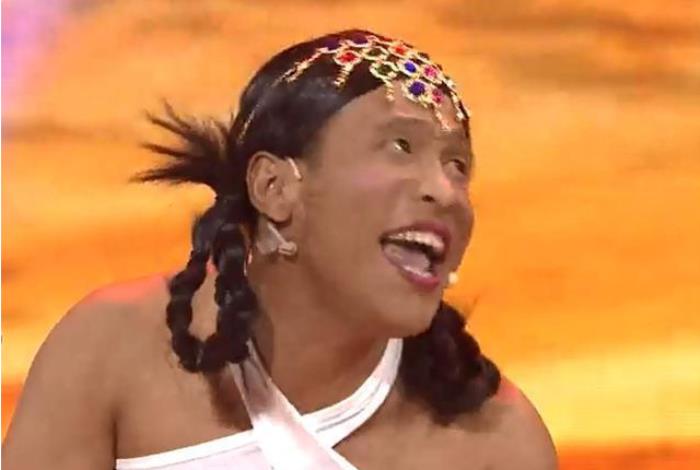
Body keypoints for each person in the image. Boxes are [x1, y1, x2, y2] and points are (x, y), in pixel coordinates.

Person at [2, 29, 558, 469]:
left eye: (457, 165)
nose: (446, 190)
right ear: (274, 187)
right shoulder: (111, 351)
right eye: (400, 145)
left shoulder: (502, 446)